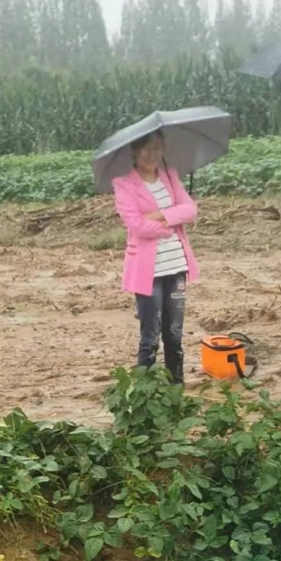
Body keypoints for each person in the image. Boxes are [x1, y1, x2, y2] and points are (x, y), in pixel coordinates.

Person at [112, 132, 199, 384]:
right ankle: (145, 391)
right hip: (148, 271)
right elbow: (136, 226)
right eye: (146, 149)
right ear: (134, 151)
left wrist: (159, 215)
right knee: (150, 335)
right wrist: (169, 225)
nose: (152, 155)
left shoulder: (169, 176)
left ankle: (176, 387)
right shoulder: (124, 184)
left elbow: (190, 210)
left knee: (174, 334)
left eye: (157, 149)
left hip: (176, 265)